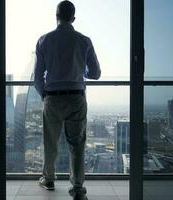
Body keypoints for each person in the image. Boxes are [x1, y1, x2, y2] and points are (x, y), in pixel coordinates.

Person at [33, 1, 101, 199]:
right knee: (77, 144)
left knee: (50, 142)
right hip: (76, 98)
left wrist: (44, 95)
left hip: (52, 98)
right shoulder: (84, 41)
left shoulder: (44, 40)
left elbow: (38, 76)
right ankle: (78, 189)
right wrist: (81, 70)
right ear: (73, 18)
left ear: (56, 16)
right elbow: (95, 73)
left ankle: (49, 179)